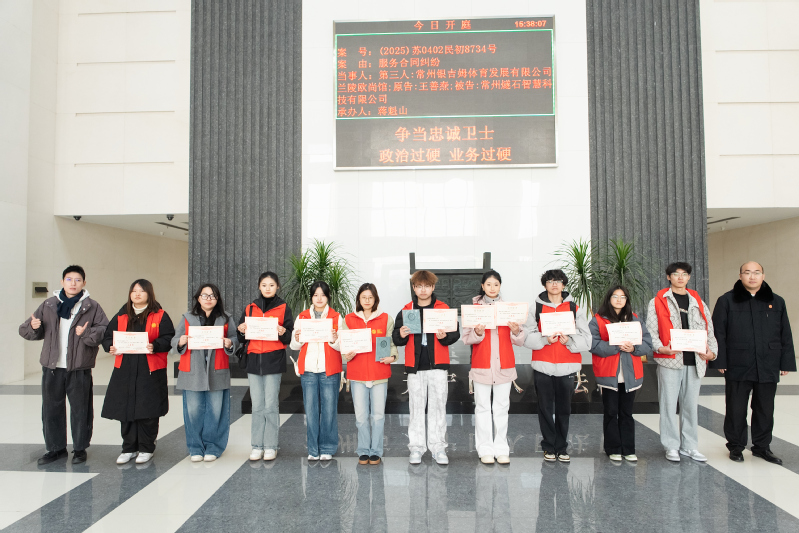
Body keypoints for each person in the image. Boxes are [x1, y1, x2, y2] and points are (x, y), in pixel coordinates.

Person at [18, 265, 108, 465]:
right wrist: (33, 327)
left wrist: (86, 333)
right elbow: (26, 330)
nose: (73, 283)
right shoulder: (49, 304)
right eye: (69, 279)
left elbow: (104, 330)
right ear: (62, 282)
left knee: (80, 409)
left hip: (79, 367)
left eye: (77, 280)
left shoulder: (92, 306)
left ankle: (79, 449)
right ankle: (55, 448)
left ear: (84, 283)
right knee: (51, 409)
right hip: (52, 367)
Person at [711, 261, 795, 464]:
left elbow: (785, 333)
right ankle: (736, 446)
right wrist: (719, 360)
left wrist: (785, 362)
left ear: (763, 276)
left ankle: (762, 447)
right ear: (740, 276)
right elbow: (718, 332)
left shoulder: (777, 301)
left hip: (768, 363)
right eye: (747, 272)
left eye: (757, 272)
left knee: (765, 409)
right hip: (738, 363)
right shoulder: (726, 300)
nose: (752, 276)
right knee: (736, 408)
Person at [645, 262, 718, 463]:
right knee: (668, 405)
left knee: (690, 406)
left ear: (689, 277)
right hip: (670, 360)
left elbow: (709, 330)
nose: (680, 277)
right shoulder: (658, 301)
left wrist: (711, 353)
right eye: (676, 274)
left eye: (684, 274)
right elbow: (651, 331)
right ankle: (671, 446)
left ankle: (690, 446)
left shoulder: (698, 301)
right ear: (668, 277)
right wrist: (661, 348)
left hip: (695, 360)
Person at [520, 269, 591, 463]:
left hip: (567, 365)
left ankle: (562, 447)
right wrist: (545, 339)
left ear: (564, 285)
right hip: (543, 365)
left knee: (564, 409)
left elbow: (587, 338)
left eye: (558, 281)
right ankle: (548, 446)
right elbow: (526, 336)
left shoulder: (574, 308)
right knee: (544, 408)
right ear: (545, 284)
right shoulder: (536, 308)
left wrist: (570, 340)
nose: (554, 284)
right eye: (550, 281)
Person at [101, 279, 175, 465]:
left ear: (149, 294)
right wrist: (110, 346)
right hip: (125, 368)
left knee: (147, 409)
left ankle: (146, 447)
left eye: (141, 291)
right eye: (134, 291)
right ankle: (129, 448)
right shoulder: (121, 315)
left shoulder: (160, 315)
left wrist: (155, 345)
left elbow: (169, 338)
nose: (137, 294)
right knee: (125, 409)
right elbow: (108, 336)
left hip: (150, 369)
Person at [393, 270, 460, 465]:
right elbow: (396, 337)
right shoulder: (406, 310)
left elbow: (455, 334)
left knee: (438, 408)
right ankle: (416, 448)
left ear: (433, 287)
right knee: (416, 408)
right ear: (414, 288)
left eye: (427, 286)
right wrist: (402, 334)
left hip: (437, 366)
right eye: (419, 286)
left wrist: (444, 337)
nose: (423, 290)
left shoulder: (442, 308)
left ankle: (438, 448)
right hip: (415, 367)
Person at [461, 270, 526, 464]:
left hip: (504, 365)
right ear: (482, 286)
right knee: (482, 408)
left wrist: (516, 331)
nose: (492, 288)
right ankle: (485, 449)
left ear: (500, 286)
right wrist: (478, 333)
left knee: (501, 408)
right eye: (488, 284)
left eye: (496, 284)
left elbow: (520, 340)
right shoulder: (474, 309)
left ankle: (501, 449)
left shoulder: (509, 310)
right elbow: (466, 338)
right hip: (482, 365)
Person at [172, 283, 238, 462]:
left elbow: (234, 338)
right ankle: (195, 448)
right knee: (193, 411)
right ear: (198, 298)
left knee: (216, 411)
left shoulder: (226, 318)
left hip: (217, 369)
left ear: (217, 299)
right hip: (193, 370)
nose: (208, 299)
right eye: (205, 295)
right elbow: (175, 340)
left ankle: (213, 447)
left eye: (212, 296)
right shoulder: (187, 318)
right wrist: (180, 341)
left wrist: (230, 343)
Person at [589, 285, 653, 462]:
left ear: (627, 300)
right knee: (611, 411)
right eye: (615, 296)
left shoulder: (635, 320)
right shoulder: (598, 320)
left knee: (626, 412)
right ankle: (613, 448)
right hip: (609, 374)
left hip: (630, 375)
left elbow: (648, 343)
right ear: (609, 299)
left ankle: (628, 449)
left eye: (623, 297)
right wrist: (615, 345)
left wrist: (634, 348)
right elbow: (593, 345)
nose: (619, 300)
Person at [237, 271, 294, 461]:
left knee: (270, 405)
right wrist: (241, 330)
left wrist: (283, 331)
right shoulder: (250, 308)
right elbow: (241, 337)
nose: (267, 288)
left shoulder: (284, 308)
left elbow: (290, 337)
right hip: (254, 360)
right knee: (257, 406)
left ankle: (270, 445)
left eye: (271, 285)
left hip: (273, 360)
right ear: (259, 287)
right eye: (264, 285)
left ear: (277, 286)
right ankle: (256, 445)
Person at [341, 283, 398, 465]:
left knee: (378, 416)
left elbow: (390, 343)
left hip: (379, 372)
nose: (367, 300)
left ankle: (376, 451)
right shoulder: (349, 319)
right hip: (357, 374)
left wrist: (392, 356)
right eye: (363, 297)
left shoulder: (386, 318)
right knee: (361, 417)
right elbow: (344, 345)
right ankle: (363, 450)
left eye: (370, 297)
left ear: (375, 299)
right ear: (359, 299)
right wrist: (346, 355)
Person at [290, 281, 344, 461]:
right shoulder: (302, 317)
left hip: (330, 369)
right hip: (309, 369)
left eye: (323, 295)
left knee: (329, 409)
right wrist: (297, 338)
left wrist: (335, 339)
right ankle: (313, 449)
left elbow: (342, 346)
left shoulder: (337, 317)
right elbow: (294, 345)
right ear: (311, 297)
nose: (319, 298)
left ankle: (327, 447)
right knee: (311, 410)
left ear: (328, 297)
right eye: (315, 295)